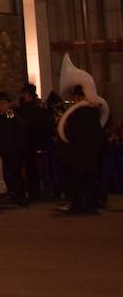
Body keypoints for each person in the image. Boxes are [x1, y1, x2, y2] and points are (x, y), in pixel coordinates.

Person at [57, 83, 107, 215]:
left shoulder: (77, 113)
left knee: (78, 180)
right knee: (89, 179)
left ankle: (79, 205)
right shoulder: (94, 112)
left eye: (75, 97)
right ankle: (90, 204)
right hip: (90, 153)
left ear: (79, 98)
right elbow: (98, 133)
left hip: (78, 152)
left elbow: (71, 132)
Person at [17, 84, 51, 201]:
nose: (24, 97)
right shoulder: (20, 109)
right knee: (26, 168)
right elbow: (10, 118)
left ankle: (33, 192)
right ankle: (27, 192)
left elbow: (41, 125)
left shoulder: (36, 110)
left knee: (32, 168)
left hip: (31, 143)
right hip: (23, 142)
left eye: (26, 95)